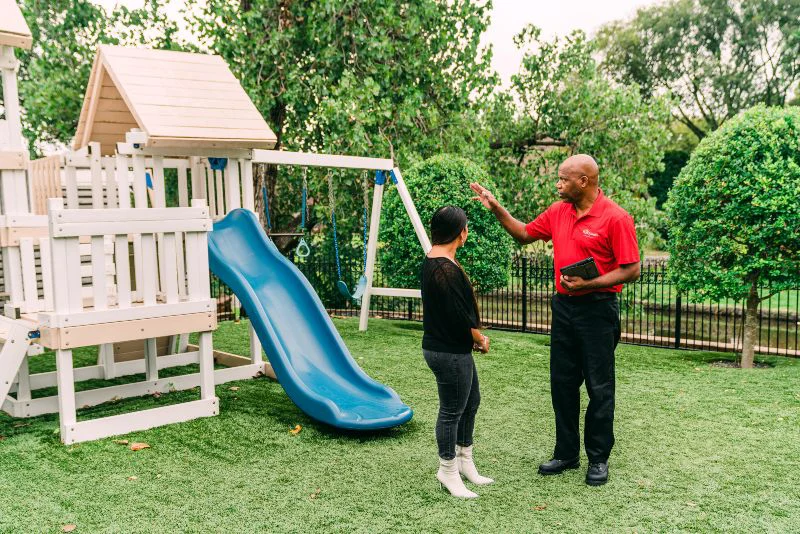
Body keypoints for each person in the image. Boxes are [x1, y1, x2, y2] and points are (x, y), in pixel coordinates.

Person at [470, 154, 640, 486]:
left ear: (584, 182)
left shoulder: (616, 217)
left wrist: (590, 283)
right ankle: (566, 453)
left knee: (599, 387)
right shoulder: (557, 211)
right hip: (564, 308)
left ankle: (598, 459)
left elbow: (631, 269)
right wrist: (495, 207)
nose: (558, 184)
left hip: (599, 310)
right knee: (562, 384)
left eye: (563, 179)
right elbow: (523, 233)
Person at [421, 205, 493, 499]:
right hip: (449, 351)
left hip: (448, 347)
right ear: (460, 233)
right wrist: (479, 338)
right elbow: (459, 314)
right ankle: (448, 469)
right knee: (451, 411)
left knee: (471, 401)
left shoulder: (433, 259)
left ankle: (465, 461)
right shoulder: (445, 269)